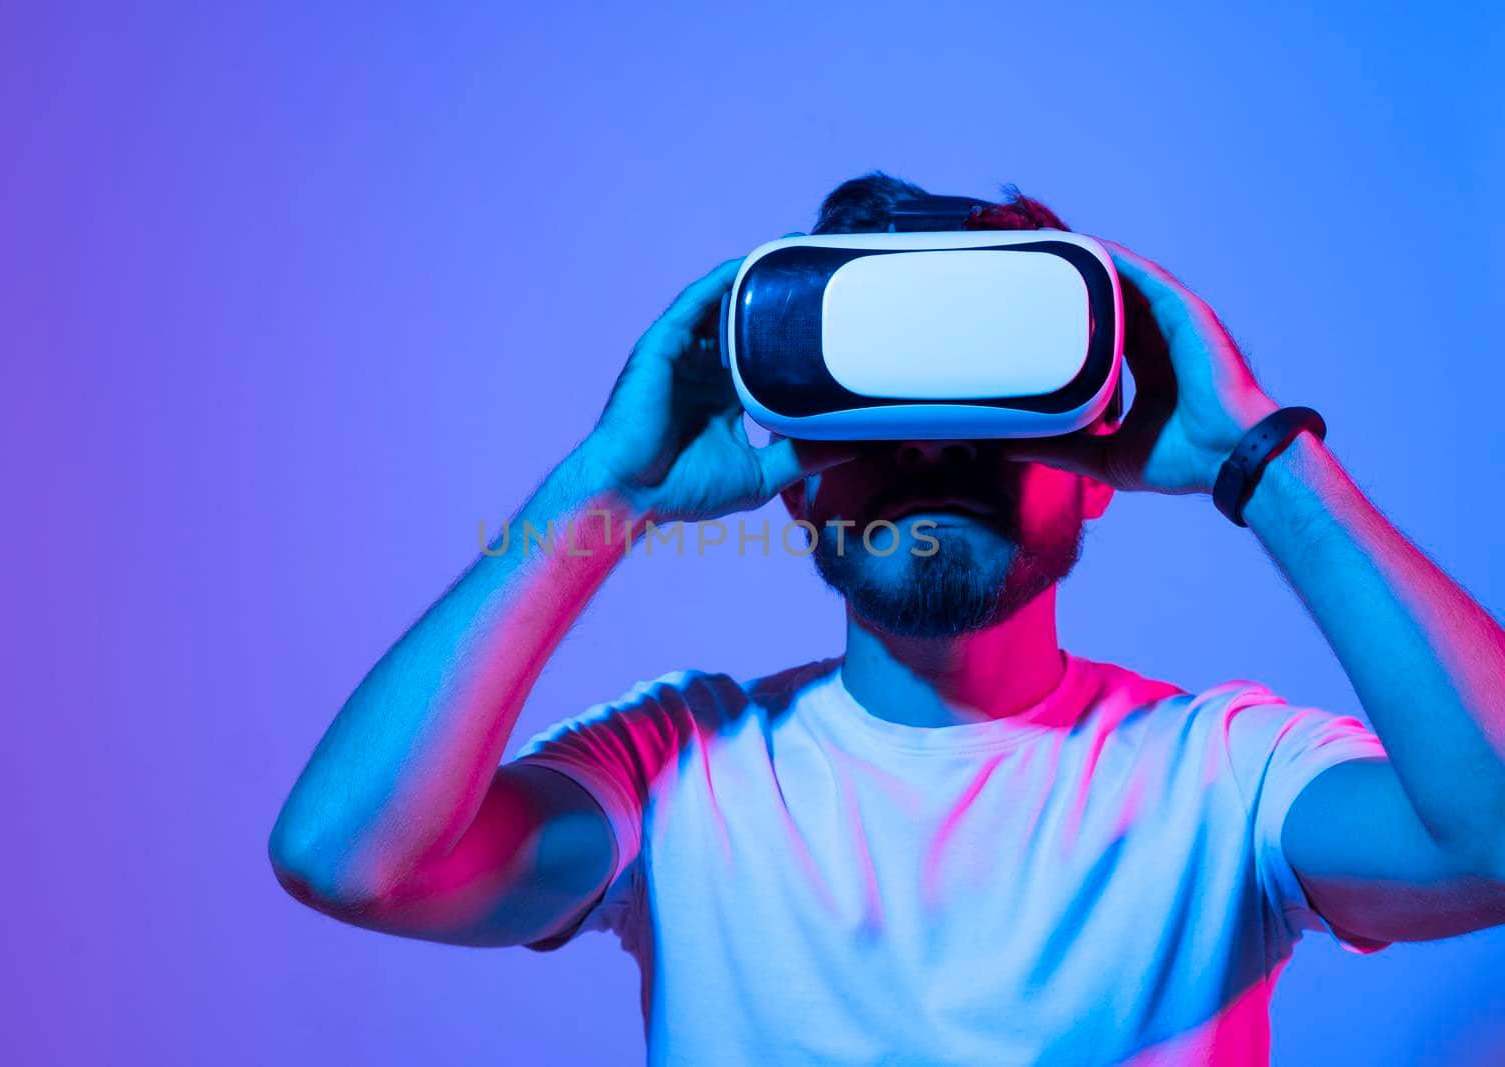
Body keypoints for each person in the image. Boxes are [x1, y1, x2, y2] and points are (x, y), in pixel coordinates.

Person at [268, 174, 1505, 1065]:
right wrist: (608, 485)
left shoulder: (1224, 776)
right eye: (872, 417)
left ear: (1095, 459)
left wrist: (1258, 459)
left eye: (990, 411)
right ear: (794, 469)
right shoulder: (685, 771)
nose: (928, 449)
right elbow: (348, 855)